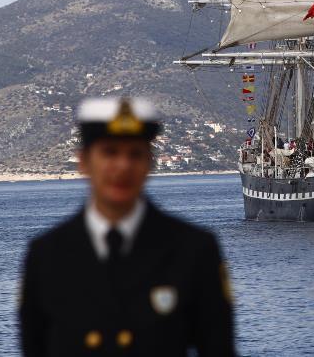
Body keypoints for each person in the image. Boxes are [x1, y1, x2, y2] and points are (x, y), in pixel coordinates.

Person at [18, 97, 235, 356]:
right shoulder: (46, 256)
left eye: (135, 154)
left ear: (149, 164)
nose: (123, 166)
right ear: (84, 162)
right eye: (110, 152)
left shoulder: (194, 250)